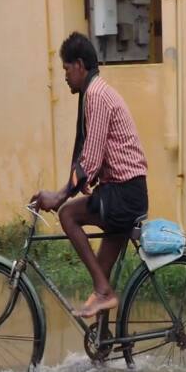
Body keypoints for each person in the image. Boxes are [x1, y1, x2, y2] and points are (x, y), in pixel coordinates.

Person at [31, 32, 148, 318]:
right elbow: (87, 157)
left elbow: (90, 161)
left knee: (68, 215)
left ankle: (104, 292)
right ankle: (103, 347)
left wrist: (60, 195)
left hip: (123, 194)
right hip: (126, 191)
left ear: (79, 65)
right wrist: (73, 185)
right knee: (101, 277)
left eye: (66, 70)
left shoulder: (95, 95)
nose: (65, 77)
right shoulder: (95, 92)